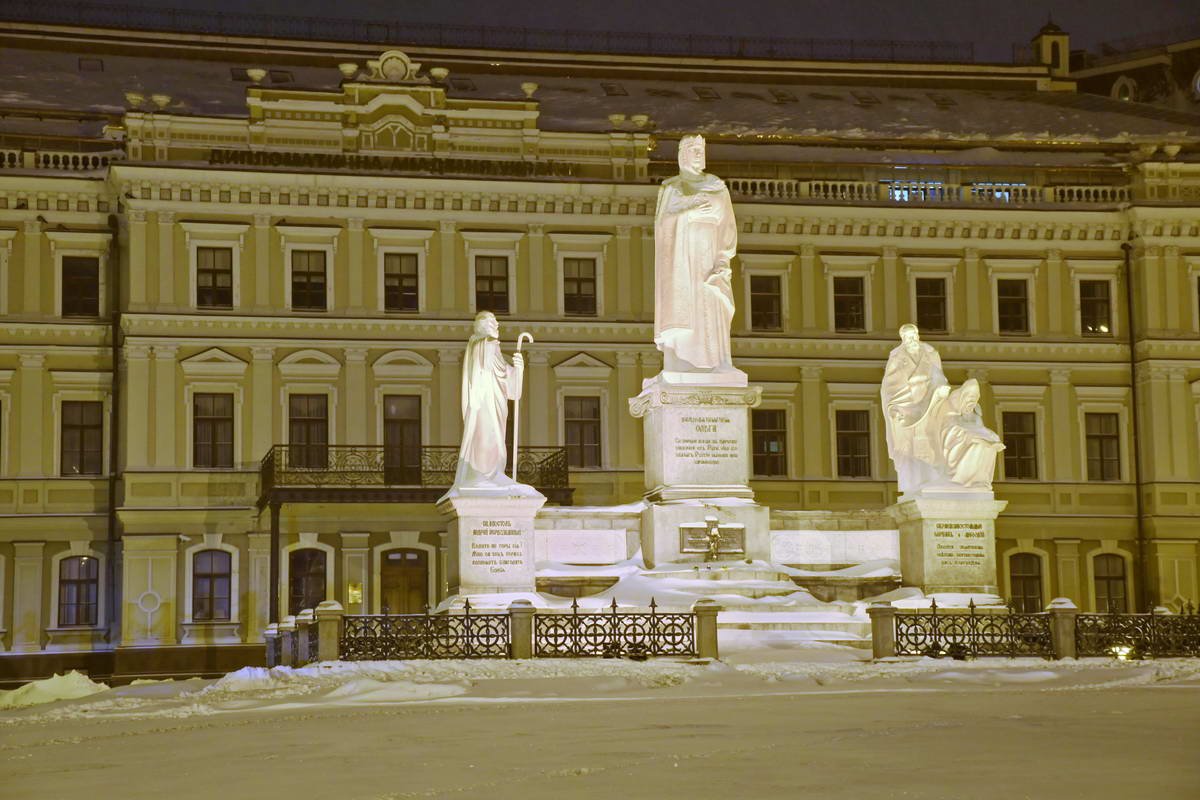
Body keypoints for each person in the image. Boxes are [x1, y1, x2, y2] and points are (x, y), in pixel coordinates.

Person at [653, 134, 737, 373]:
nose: (699, 154)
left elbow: (727, 227)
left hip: (709, 257)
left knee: (711, 304)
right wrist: (690, 211)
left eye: (701, 149)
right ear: (682, 154)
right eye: (693, 149)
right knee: (688, 307)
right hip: (683, 260)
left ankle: (715, 362)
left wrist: (722, 259)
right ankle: (682, 362)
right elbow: (663, 224)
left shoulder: (717, 186)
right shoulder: (672, 188)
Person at [452, 311, 524, 489]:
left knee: (495, 435)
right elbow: (484, 368)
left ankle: (494, 473)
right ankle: (482, 474)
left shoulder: (491, 347)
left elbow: (510, 387)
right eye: (493, 322)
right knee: (486, 434)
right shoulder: (481, 345)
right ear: (482, 324)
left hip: (497, 399)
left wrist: (518, 369)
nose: (497, 325)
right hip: (484, 400)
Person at [880, 324, 949, 495]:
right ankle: (914, 482)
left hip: (930, 402)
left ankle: (934, 479)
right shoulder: (897, 357)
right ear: (903, 339)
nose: (911, 339)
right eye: (907, 337)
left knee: (933, 439)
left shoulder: (930, 353)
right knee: (909, 445)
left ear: (918, 335)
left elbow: (938, 374)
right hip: (907, 404)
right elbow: (891, 385)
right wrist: (895, 407)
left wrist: (942, 387)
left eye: (913, 335)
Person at [936, 379, 1005, 489]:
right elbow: (950, 427)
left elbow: (980, 427)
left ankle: (977, 480)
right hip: (954, 439)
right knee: (976, 442)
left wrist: (992, 436)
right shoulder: (951, 407)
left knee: (987, 446)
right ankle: (960, 477)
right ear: (963, 397)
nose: (971, 403)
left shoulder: (975, 410)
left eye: (974, 399)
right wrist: (974, 435)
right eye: (969, 398)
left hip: (969, 437)